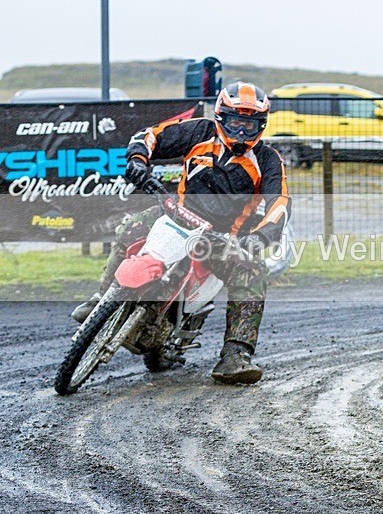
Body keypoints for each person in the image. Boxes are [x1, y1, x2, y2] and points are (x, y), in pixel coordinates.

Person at [71, 82, 291, 385]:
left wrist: (262, 236)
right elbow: (150, 135)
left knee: (252, 271)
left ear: (261, 126)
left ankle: (236, 355)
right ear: (221, 118)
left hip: (220, 237)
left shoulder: (267, 160)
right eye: (236, 122)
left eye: (249, 124)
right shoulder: (199, 132)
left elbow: (279, 202)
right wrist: (137, 160)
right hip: (174, 213)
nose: (241, 131)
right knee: (131, 226)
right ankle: (102, 297)